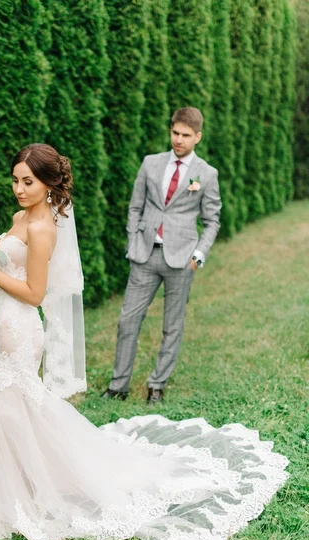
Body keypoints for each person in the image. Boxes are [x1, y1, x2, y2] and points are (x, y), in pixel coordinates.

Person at [0, 143, 288, 540]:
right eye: (15, 180)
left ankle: (37, 490)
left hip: (20, 329)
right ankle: (3, 483)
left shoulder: (44, 229)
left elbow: (35, 292)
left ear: (48, 184)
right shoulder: (19, 218)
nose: (19, 189)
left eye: (29, 181)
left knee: (13, 410)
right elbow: (13, 261)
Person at [103, 107, 221, 404]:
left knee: (173, 324)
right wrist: (132, 243)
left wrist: (198, 255)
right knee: (127, 320)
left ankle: (157, 385)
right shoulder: (150, 164)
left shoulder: (207, 174)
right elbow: (135, 207)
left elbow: (212, 221)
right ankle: (118, 385)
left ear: (198, 137)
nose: (178, 140)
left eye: (185, 135)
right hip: (144, 254)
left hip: (182, 260)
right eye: (175, 133)